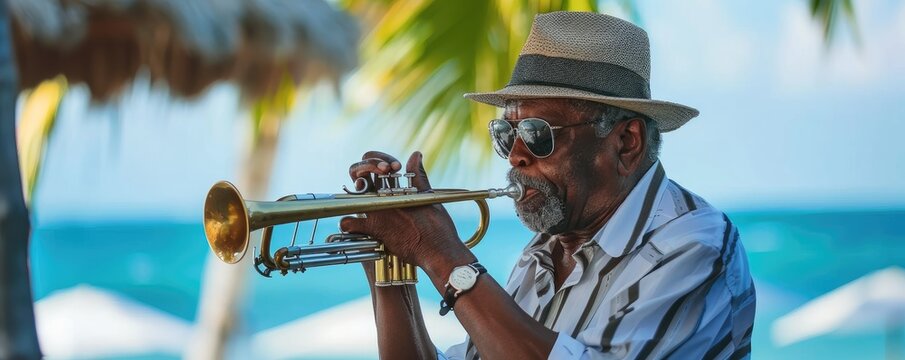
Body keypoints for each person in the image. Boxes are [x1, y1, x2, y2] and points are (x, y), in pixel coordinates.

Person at [340, 11, 755, 360]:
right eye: (506, 132)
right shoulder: (544, 250)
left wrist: (443, 255)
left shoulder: (693, 246)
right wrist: (388, 271)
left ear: (626, 142)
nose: (516, 154)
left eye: (539, 133)